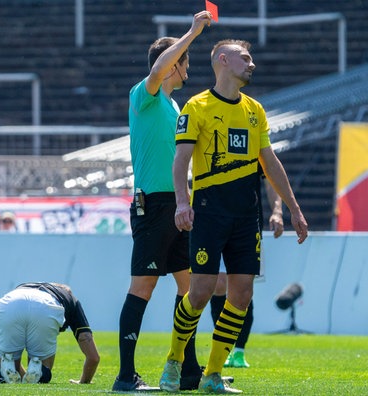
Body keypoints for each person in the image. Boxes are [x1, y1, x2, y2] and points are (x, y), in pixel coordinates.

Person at [159, 39, 309, 394]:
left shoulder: (255, 110)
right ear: (223, 61)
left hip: (246, 217)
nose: (252, 63)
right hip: (209, 213)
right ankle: (174, 360)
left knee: (241, 294)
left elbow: (269, 163)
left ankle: (212, 374)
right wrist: (183, 203)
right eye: (245, 58)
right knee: (200, 293)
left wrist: (293, 207)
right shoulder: (197, 107)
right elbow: (180, 162)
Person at [112, 10, 213, 392]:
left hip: (177, 206)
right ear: (174, 63)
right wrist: (192, 32)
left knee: (188, 289)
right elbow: (157, 72)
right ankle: (125, 376)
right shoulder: (145, 95)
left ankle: (188, 370)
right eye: (183, 62)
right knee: (143, 288)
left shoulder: (172, 107)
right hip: (153, 205)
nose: (188, 69)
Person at [209, 177, 284, 369]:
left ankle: (239, 351)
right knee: (218, 286)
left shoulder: (256, 147)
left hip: (248, 227)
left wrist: (277, 211)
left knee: (243, 291)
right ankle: (223, 348)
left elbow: (271, 180)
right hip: (216, 224)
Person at [0, 282, 100, 385]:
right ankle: (37, 368)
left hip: (11, 302)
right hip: (47, 305)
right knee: (40, 368)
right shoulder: (70, 297)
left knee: (8, 359)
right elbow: (91, 352)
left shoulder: (26, 286)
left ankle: (8, 366)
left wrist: (23, 375)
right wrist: (84, 381)